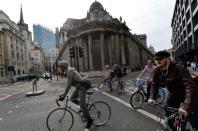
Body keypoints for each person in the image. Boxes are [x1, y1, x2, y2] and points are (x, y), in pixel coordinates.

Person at [148, 51, 198, 131]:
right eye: (156, 59)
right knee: (168, 113)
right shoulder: (157, 70)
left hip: (190, 95)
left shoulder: (179, 69)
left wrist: (186, 106)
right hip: (174, 93)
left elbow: (190, 86)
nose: (157, 61)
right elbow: (154, 83)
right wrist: (152, 97)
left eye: (160, 59)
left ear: (168, 59)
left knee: (194, 120)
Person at [57, 60, 93, 131]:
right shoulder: (67, 71)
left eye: (59, 67)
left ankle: (90, 121)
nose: (59, 68)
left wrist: (64, 96)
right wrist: (63, 94)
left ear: (63, 67)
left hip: (82, 87)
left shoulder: (70, 71)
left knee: (82, 104)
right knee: (72, 99)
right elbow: (68, 83)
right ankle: (84, 107)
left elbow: (68, 85)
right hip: (78, 87)